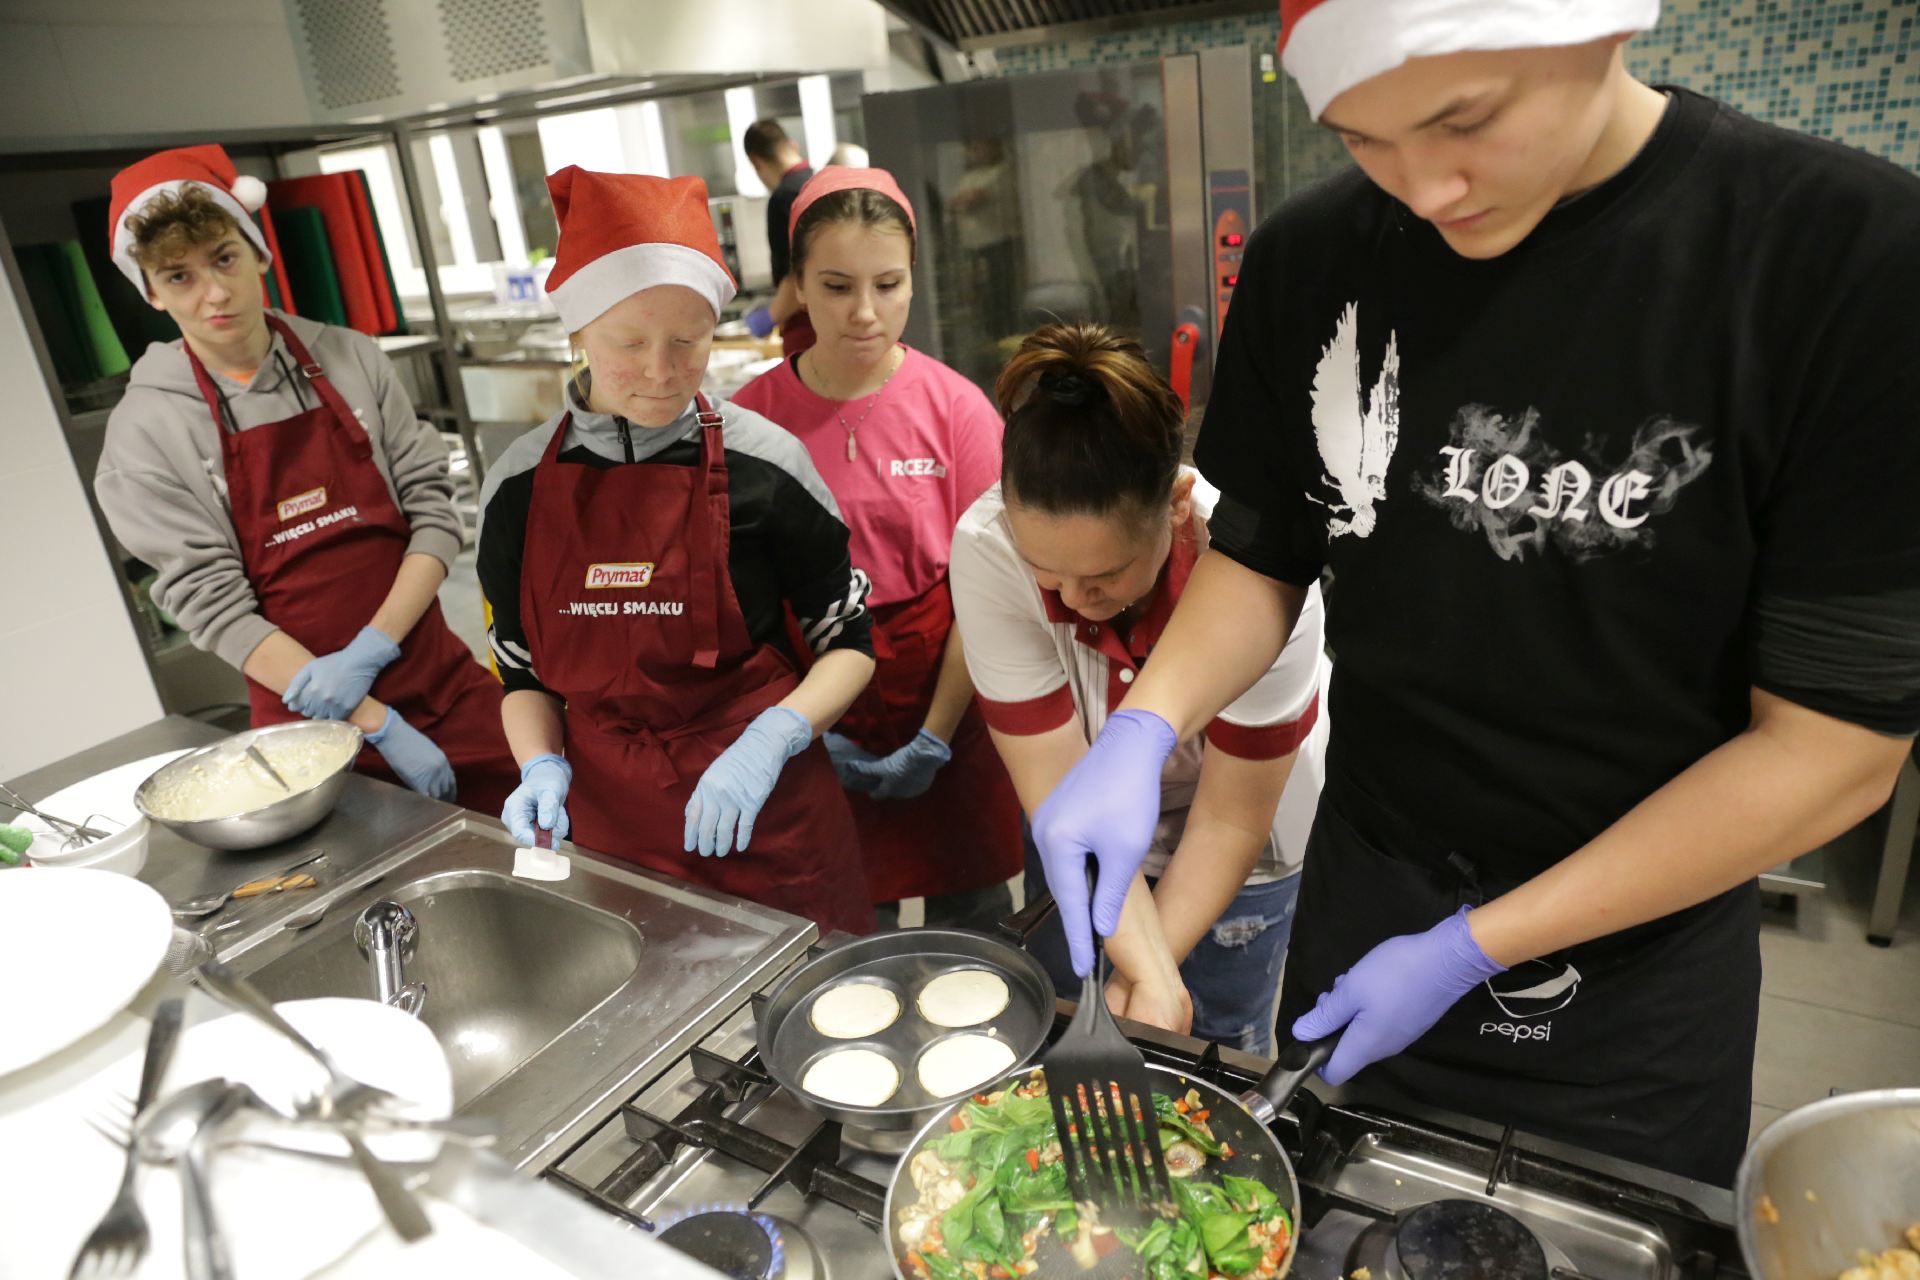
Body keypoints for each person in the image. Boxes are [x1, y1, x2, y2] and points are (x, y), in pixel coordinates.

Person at [1025, 0, 1920, 1185]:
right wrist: (1149, 719)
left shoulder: (1842, 258)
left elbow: (1835, 746)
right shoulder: (1316, 256)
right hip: (1366, 898)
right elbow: (1263, 552)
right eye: (1362, 137)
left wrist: (1476, 947)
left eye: (1466, 120)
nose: (1425, 190)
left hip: (1630, 968)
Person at [476, 167, 876, 937]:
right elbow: (520, 672)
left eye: (687, 342)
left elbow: (850, 646)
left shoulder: (770, 464)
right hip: (610, 827)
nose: (661, 372)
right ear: (578, 333)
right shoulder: (519, 489)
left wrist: (773, 738)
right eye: (629, 342)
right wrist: (538, 764)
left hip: (769, 819)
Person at [94, 144, 517, 812]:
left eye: (225, 259)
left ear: (259, 251)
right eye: (178, 277)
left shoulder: (350, 358)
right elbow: (213, 605)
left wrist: (373, 647)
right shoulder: (146, 431)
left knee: (565, 841)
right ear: (149, 291)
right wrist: (367, 713)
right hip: (309, 726)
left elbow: (434, 516)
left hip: (445, 684)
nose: (213, 293)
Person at [949, 322, 1327, 1053]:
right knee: (1082, 1015)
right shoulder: (990, 550)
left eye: (1106, 576)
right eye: (1048, 574)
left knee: (1215, 1040)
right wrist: (1145, 970)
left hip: (1239, 830)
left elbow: (1228, 822)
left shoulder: (1270, 582)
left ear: (1178, 505)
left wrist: (1157, 973)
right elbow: (1058, 783)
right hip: (1084, 812)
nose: (1071, 598)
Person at [731, 166, 1023, 932]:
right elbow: (744, 609)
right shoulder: (745, 424)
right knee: (844, 935)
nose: (866, 314)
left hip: (953, 697)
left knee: (979, 932)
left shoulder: (957, 410)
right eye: (835, 287)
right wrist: (803, 728)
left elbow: (988, 594)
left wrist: (937, 731)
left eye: (889, 284)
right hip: (811, 704)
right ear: (794, 284)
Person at [740, 119, 815, 357]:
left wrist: (770, 317)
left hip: (806, 333)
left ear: (756, 163)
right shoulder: (818, 183)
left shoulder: (783, 198)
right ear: (792, 145)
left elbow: (798, 277)